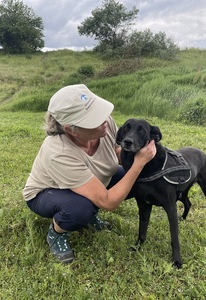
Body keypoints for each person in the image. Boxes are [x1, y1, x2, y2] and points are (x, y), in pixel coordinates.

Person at [23, 84, 156, 263]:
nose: (105, 121)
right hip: (46, 192)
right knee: (81, 208)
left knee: (134, 181)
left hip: (89, 178)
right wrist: (138, 164)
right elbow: (109, 202)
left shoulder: (105, 124)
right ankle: (57, 232)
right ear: (71, 129)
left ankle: (90, 213)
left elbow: (116, 151)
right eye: (94, 119)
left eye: (99, 112)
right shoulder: (58, 152)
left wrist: (138, 156)